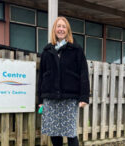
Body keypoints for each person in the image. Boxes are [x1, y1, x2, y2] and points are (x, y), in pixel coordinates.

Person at [37, 16, 90, 146]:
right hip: (50, 98)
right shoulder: (46, 51)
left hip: (69, 98)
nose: (61, 29)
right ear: (54, 30)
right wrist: (40, 100)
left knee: (70, 133)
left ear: (68, 30)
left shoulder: (76, 50)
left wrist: (84, 96)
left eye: (63, 26)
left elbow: (83, 73)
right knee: (54, 133)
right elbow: (42, 76)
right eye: (58, 26)